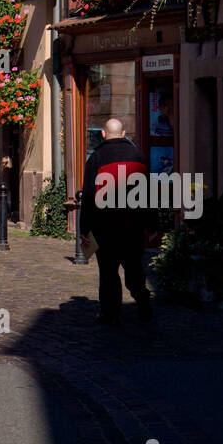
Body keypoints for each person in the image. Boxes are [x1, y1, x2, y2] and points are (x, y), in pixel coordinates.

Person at [79, 115, 154, 326]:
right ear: (123, 134)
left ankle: (110, 314)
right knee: (134, 268)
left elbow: (89, 196)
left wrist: (85, 229)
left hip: (105, 227)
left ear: (104, 134)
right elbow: (148, 194)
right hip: (133, 226)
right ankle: (142, 299)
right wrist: (152, 224)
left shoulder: (96, 158)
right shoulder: (139, 156)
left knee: (108, 272)